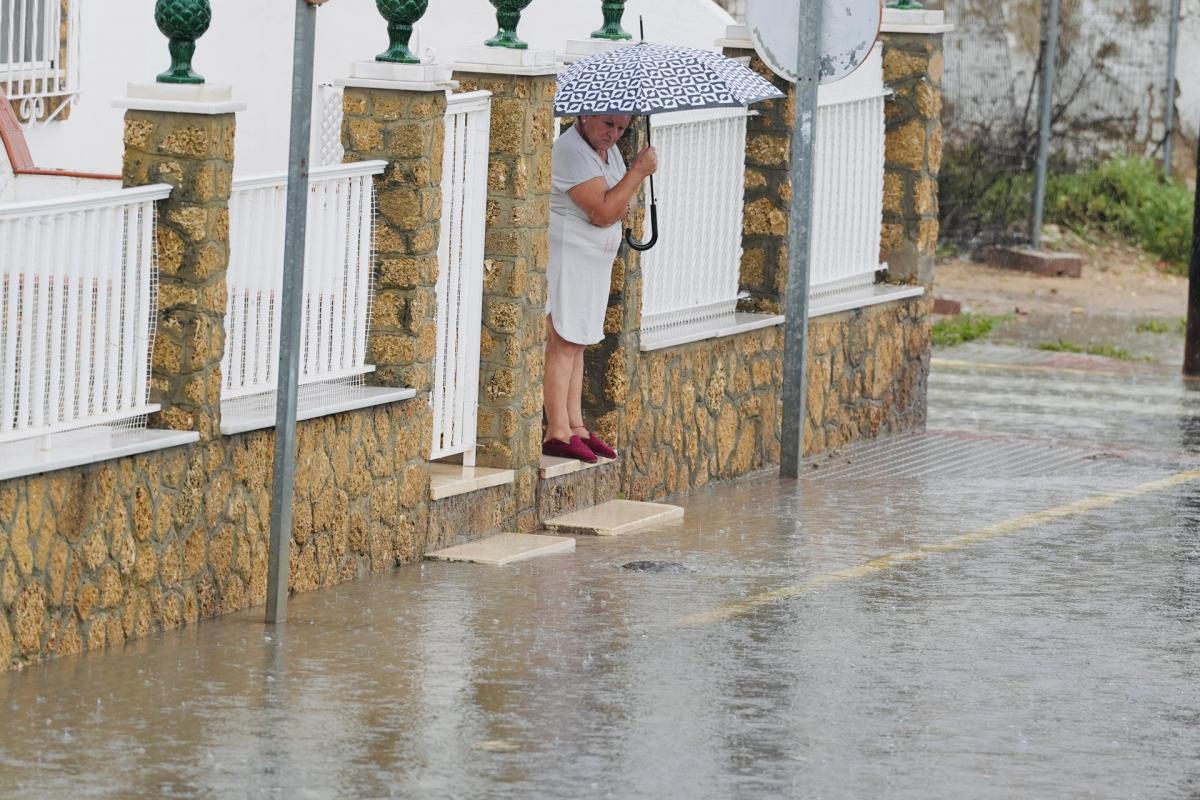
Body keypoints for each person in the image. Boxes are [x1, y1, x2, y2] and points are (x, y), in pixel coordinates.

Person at [543, 114, 657, 462]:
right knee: (563, 339)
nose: (614, 134)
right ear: (585, 116)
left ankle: (575, 425)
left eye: (621, 128)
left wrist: (625, 188)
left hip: (592, 262)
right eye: (608, 124)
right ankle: (557, 431)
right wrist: (638, 172)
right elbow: (604, 211)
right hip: (569, 258)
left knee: (578, 342)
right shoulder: (570, 151)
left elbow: (626, 202)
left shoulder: (609, 154)